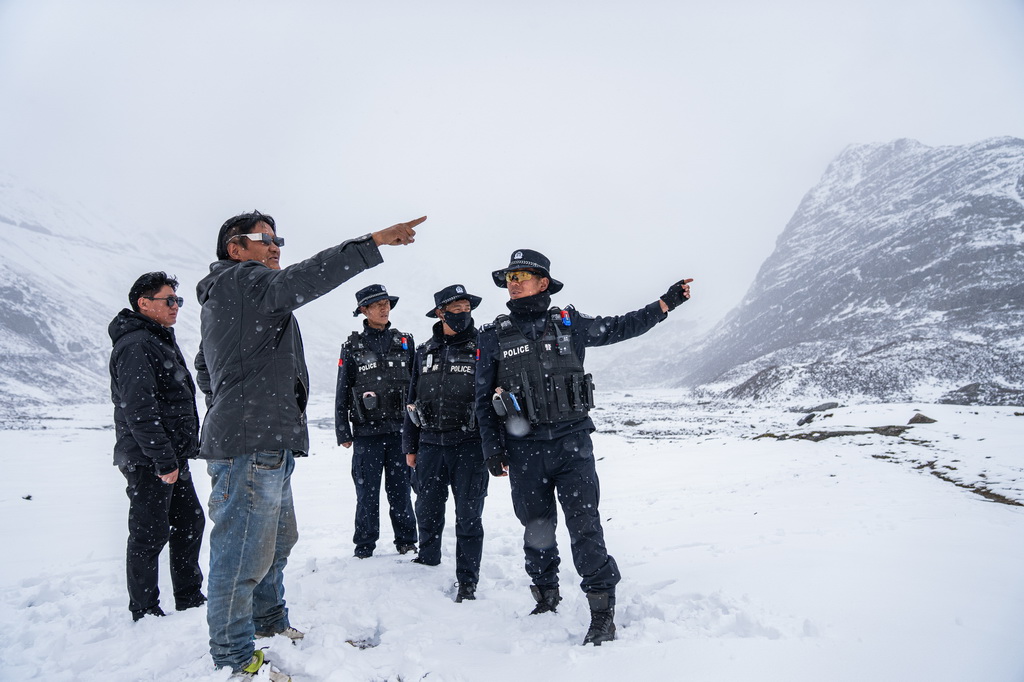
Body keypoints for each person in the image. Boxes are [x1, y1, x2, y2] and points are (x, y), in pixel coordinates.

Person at [195, 210, 424, 679]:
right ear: (235, 249)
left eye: (279, 238)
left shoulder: (242, 297)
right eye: (263, 238)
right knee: (241, 552)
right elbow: (309, 277)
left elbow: (204, 364)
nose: (275, 245)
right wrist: (373, 242)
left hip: (266, 439)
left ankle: (269, 620)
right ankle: (234, 658)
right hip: (249, 442)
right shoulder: (244, 281)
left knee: (277, 541)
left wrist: (234, 401)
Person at [474, 249, 692, 646]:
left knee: (585, 526)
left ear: (544, 283)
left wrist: (665, 304)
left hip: (572, 444)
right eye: (509, 277)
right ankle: (546, 594)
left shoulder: (570, 324)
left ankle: (602, 611)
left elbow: (622, 326)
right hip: (524, 452)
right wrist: (492, 449)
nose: (514, 282)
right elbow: (482, 397)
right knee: (535, 527)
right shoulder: (492, 337)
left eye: (523, 275)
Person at [108, 271, 205, 622]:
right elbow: (140, 410)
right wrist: (164, 461)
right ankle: (145, 610)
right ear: (144, 303)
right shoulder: (137, 344)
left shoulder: (157, 338)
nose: (176, 306)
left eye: (177, 300)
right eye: (169, 300)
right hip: (150, 459)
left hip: (170, 457)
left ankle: (190, 596)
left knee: (190, 522)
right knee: (149, 534)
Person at [402, 285, 489, 602]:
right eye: (456, 307)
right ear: (440, 312)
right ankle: (427, 556)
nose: (464, 312)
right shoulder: (424, 351)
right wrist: (410, 446)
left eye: (467, 306)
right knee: (425, 508)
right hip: (429, 445)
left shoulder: (483, 346)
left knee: (469, 516)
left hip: (470, 445)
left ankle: (467, 581)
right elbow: (411, 400)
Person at [335, 284, 417, 559]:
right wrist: (342, 430)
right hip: (366, 434)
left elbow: (417, 387)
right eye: (376, 304)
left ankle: (406, 541)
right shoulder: (352, 346)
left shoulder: (405, 342)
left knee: (401, 492)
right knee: (366, 494)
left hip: (400, 432)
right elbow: (343, 390)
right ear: (363, 310)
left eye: (386, 303)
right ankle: (365, 545)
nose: (384, 308)